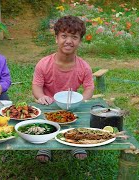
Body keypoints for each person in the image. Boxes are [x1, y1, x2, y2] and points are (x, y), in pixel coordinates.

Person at [32, 15, 94, 162]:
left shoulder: (84, 67)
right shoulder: (44, 64)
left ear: (80, 41)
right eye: (64, 36)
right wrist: (41, 96)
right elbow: (36, 86)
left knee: (81, 117)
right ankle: (45, 144)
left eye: (74, 37)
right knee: (43, 119)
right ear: (56, 38)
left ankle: (75, 141)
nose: (68, 41)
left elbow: (89, 87)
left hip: (72, 108)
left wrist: (82, 100)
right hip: (49, 106)